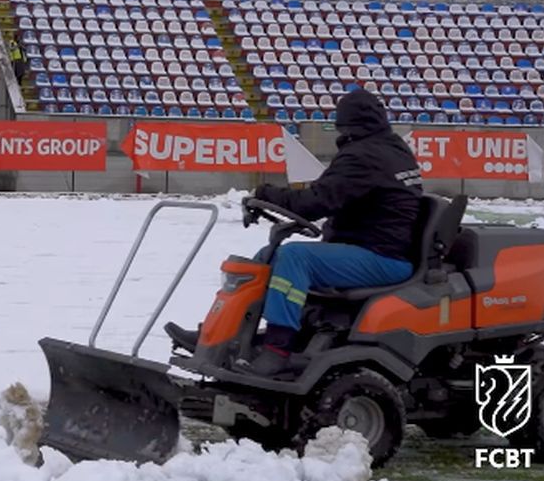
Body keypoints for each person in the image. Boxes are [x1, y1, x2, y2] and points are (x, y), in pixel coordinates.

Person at [165, 88, 424, 377]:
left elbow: (316, 202)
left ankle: (278, 349)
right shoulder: (389, 148)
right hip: (370, 246)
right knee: (266, 257)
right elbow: (333, 195)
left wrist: (265, 193)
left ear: (346, 124)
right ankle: (217, 336)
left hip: (382, 257)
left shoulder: (364, 156)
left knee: (294, 257)